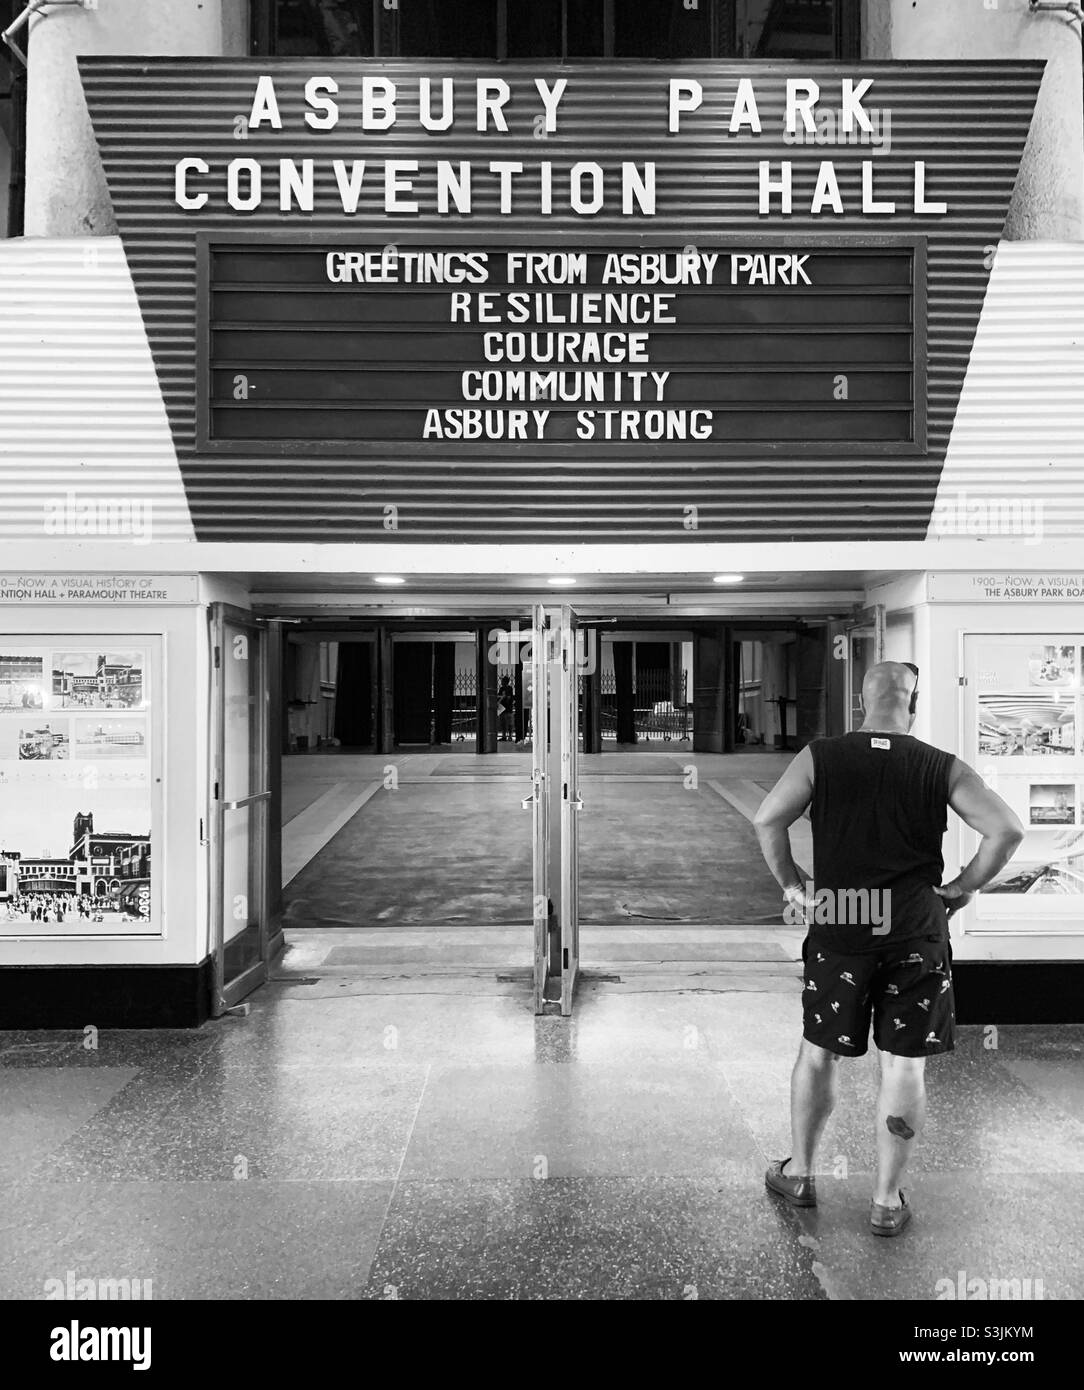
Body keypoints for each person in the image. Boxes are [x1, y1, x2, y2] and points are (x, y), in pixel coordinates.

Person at [753, 661, 1024, 1236]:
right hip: (914, 928)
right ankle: (885, 1200)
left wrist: (795, 889)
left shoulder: (820, 756)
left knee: (818, 1052)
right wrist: (959, 888)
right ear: (914, 705)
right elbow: (1006, 830)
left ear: (861, 703)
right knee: (904, 1064)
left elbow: (768, 819)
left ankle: (800, 1174)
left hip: (840, 921)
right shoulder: (938, 765)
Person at [497, 676, 515, 742]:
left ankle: (510, 736)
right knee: (503, 723)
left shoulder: (509, 688)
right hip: (502, 708)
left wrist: (503, 697)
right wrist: (503, 697)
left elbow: (509, 697)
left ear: (505, 682)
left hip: (508, 708)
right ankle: (504, 736)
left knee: (509, 723)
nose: (501, 682)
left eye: (502, 681)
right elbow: (499, 696)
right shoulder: (501, 688)